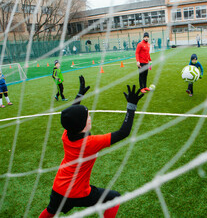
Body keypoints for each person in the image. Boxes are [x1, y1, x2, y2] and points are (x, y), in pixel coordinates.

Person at [39, 76, 144, 218]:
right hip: (78, 192)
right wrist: (131, 106)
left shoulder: (67, 134)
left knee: (50, 211)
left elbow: (70, 115)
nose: (90, 118)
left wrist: (79, 95)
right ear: (83, 125)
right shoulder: (90, 143)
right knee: (114, 198)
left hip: (59, 187)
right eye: (88, 116)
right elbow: (123, 132)